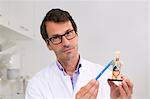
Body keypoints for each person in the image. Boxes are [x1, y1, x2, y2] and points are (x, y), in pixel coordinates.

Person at [25, 8, 133, 99]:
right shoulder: (37, 85)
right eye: (56, 38)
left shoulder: (106, 77)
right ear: (48, 45)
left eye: (68, 33)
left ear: (76, 35)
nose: (66, 42)